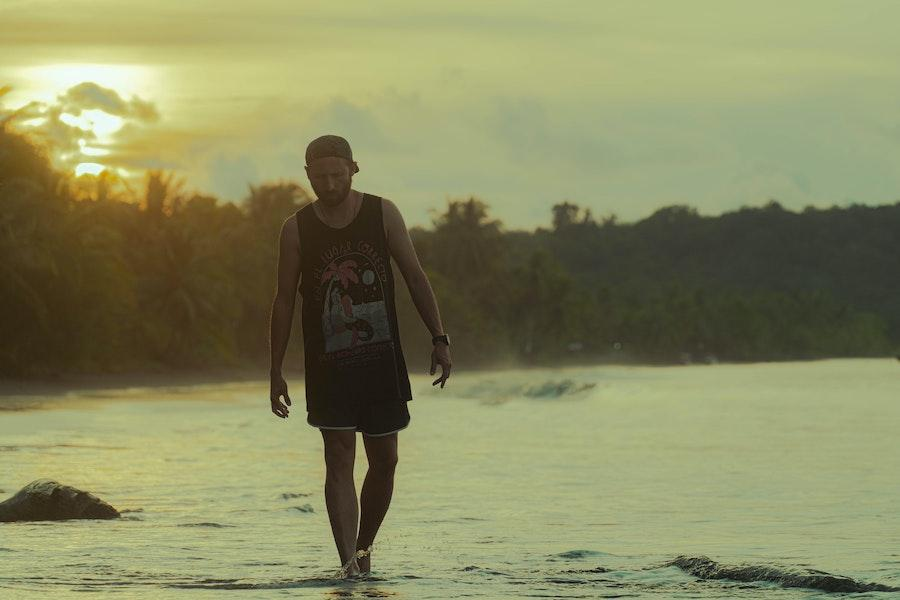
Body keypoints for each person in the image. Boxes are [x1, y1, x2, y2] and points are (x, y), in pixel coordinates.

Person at [268, 134, 452, 578]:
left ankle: (364, 548)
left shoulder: (382, 213)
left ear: (353, 169)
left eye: (338, 174)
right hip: (328, 366)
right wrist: (274, 371)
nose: (329, 185)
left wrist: (439, 337)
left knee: (385, 460)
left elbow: (414, 274)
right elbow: (284, 301)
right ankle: (348, 563)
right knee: (338, 457)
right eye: (321, 176)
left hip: (380, 361)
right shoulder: (296, 228)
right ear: (308, 175)